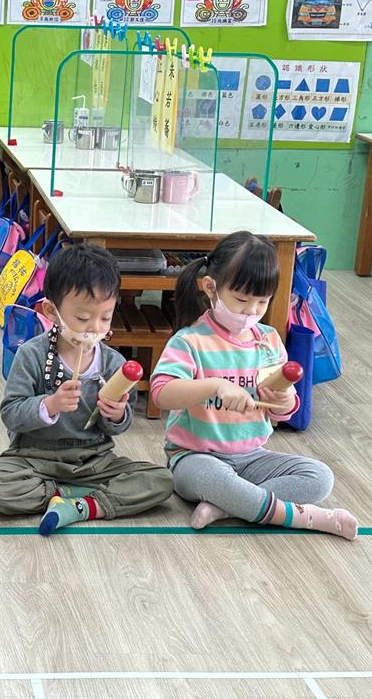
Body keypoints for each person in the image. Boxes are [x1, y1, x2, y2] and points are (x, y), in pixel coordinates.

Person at [151, 231, 357, 540]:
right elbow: (161, 394)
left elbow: (283, 410)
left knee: (319, 476)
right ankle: (306, 518)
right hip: (194, 457)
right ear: (211, 288)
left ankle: (226, 507)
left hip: (252, 457)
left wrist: (284, 402)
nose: (251, 311)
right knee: (215, 479)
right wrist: (214, 386)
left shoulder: (269, 340)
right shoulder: (190, 340)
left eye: (262, 302)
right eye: (241, 300)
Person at [0, 243, 173, 535]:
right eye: (82, 318)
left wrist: (117, 415)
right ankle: (76, 496)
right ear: (51, 311)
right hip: (35, 458)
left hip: (94, 460)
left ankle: (80, 506)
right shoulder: (32, 354)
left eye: (105, 318)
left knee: (162, 480)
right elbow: (11, 413)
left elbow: (119, 425)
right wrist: (49, 405)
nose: (94, 328)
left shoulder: (113, 363)